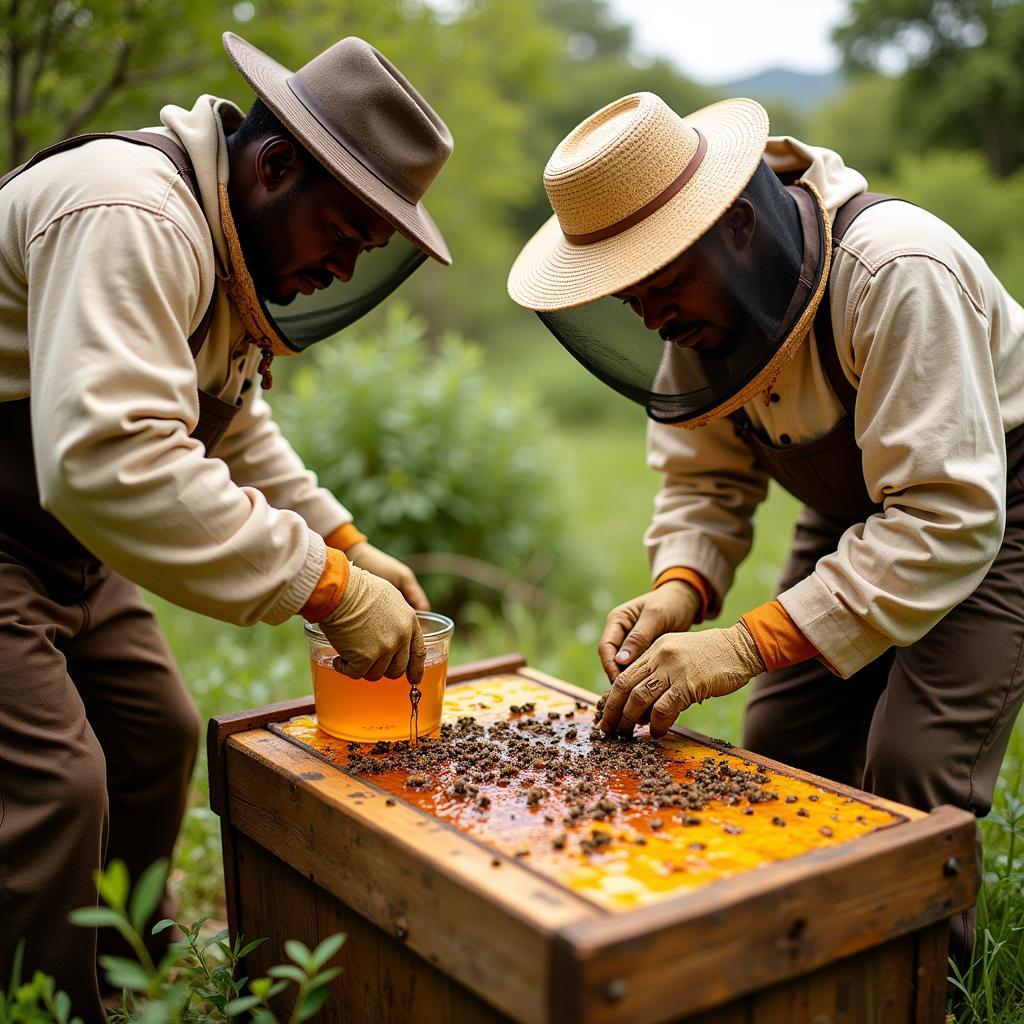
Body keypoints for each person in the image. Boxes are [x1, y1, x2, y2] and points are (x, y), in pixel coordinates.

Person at [508, 92, 1024, 961]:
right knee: (784, 739)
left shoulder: (898, 270)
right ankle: (802, 959)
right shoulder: (696, 306)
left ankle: (927, 983)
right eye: (630, 297)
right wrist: (680, 591)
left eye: (660, 285)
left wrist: (741, 646)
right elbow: (704, 479)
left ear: (739, 226)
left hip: (990, 505)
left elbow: (946, 513)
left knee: (915, 763)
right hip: (859, 510)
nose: (653, 317)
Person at [0, 29, 452, 1019]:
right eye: (343, 233)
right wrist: (329, 591)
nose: (342, 268)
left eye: (363, 251)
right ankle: (46, 1001)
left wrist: (346, 543)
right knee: (55, 789)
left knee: (155, 735)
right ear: (278, 165)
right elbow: (110, 458)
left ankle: (130, 963)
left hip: (65, 539)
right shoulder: (131, 211)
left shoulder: (222, 236)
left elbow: (231, 419)